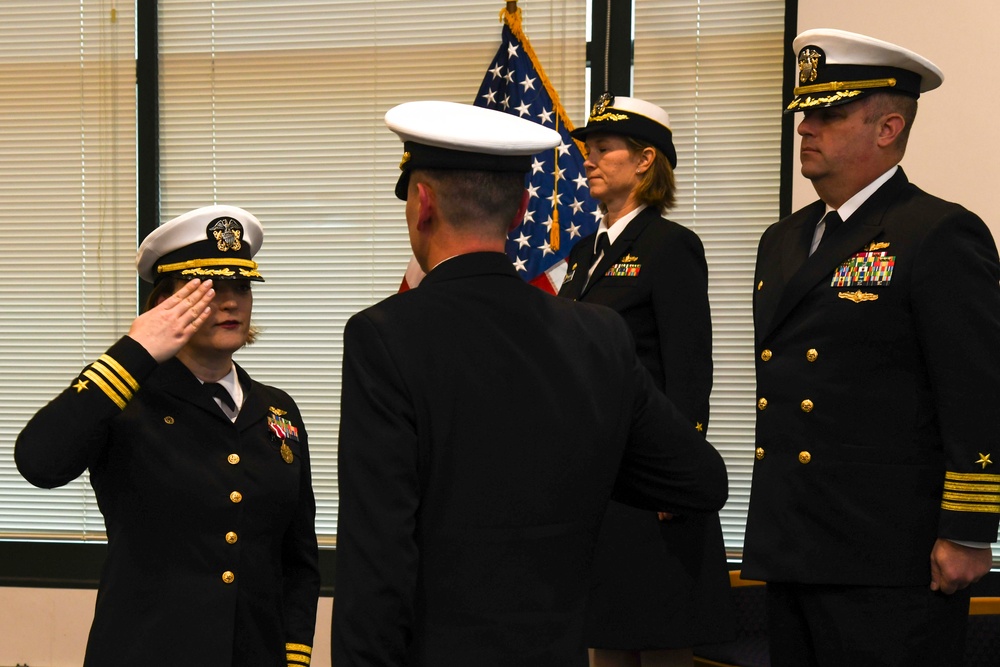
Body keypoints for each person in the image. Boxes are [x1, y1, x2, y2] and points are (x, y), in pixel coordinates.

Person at [331, 100, 730, 667]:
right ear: (522, 209)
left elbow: (378, 556)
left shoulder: (385, 336)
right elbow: (701, 479)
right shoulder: (598, 336)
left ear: (422, 204)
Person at [743, 28, 1000, 667]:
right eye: (806, 114)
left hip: (890, 549)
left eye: (828, 115)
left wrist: (967, 530)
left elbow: (976, 392)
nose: (806, 128)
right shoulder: (783, 238)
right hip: (795, 538)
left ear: (887, 128)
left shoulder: (937, 232)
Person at [15, 205, 320, 667]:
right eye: (209, 288)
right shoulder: (124, 400)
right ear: (163, 303)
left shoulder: (277, 409)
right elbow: (39, 461)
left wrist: (293, 655)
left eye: (241, 286)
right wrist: (133, 353)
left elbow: (298, 557)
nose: (231, 301)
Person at [559, 93, 734, 667]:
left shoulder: (669, 246)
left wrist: (676, 475)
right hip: (601, 482)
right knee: (606, 640)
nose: (589, 159)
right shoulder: (586, 252)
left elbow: (690, 370)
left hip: (653, 480)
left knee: (658, 642)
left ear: (645, 161)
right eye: (588, 149)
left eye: (604, 149)